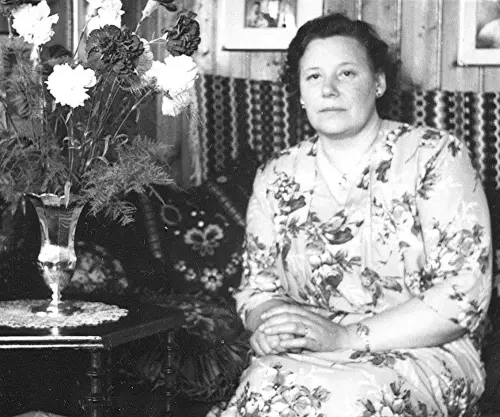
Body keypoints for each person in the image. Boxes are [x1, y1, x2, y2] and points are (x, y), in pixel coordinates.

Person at [213, 12, 492, 417]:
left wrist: (344, 336)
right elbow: (257, 290)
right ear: (300, 93)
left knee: (350, 400)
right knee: (261, 391)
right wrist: (275, 327)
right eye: (313, 77)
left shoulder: (435, 156)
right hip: (309, 352)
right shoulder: (276, 175)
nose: (328, 89)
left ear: (378, 83)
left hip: (424, 351)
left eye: (346, 73)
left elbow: (462, 296)